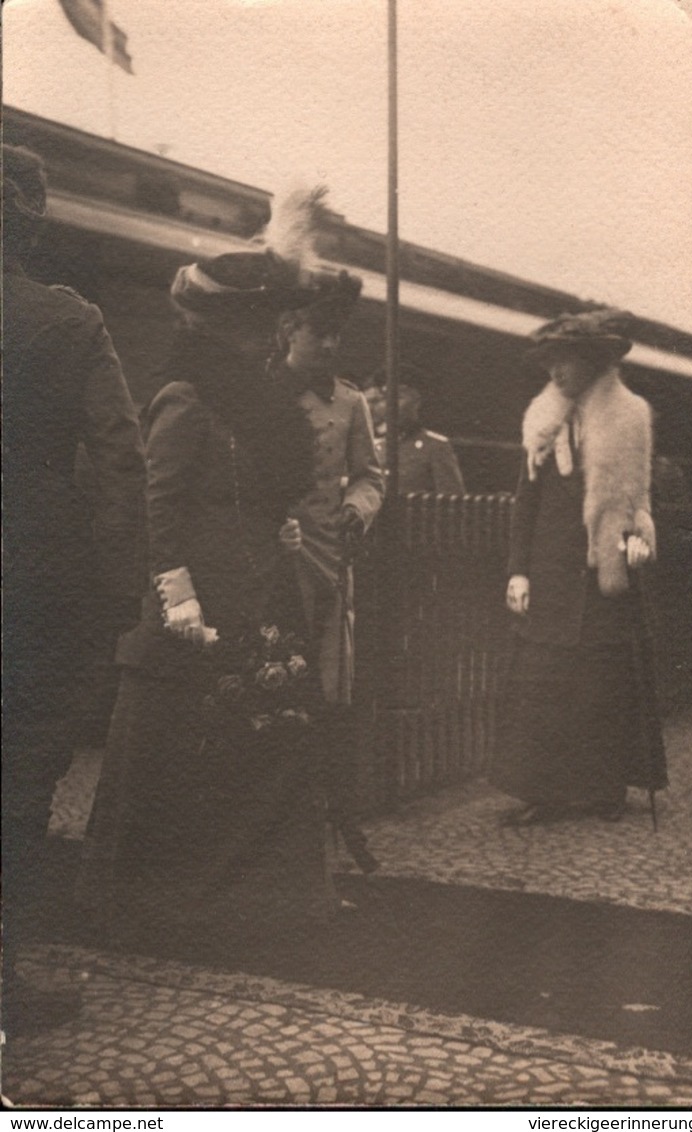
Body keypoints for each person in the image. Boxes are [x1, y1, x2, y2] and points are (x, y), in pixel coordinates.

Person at [77, 188, 379, 940]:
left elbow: (267, 486)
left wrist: (273, 536)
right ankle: (168, 906)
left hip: (257, 594)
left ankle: (257, 897)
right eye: (253, 328)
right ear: (221, 329)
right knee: (185, 744)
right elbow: (159, 506)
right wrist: (177, 596)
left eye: (267, 326)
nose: (266, 341)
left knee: (267, 737)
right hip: (196, 602)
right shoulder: (185, 397)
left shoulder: (256, 398)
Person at [3, 145, 146, 1029]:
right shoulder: (68, 320)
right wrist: (114, 578)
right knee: (20, 775)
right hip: (35, 578)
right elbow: (122, 457)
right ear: (32, 225)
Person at [490, 308, 667, 826]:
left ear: (591, 362)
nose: (556, 372)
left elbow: (638, 496)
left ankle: (602, 787)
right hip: (549, 574)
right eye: (550, 363)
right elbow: (526, 503)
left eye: (565, 361)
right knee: (542, 686)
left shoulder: (629, 417)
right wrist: (518, 570)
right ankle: (541, 791)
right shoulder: (543, 420)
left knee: (600, 688)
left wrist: (639, 537)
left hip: (600, 573)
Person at [273, 297, 386, 874]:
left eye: (337, 335)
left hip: (328, 564)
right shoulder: (261, 389)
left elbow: (371, 474)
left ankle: (332, 819)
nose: (331, 346)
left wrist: (356, 507)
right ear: (290, 328)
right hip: (270, 563)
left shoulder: (351, 402)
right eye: (321, 332)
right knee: (275, 689)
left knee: (327, 695)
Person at [365, 381, 466, 494]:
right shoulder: (368, 444)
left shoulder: (435, 446)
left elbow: (450, 500)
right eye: (385, 398)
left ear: (417, 401)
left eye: (398, 397)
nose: (390, 403)